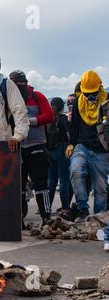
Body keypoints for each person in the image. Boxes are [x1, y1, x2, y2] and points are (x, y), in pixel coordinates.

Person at [62, 70, 109, 223]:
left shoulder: (107, 102)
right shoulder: (78, 101)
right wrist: (71, 143)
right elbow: (74, 125)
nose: (90, 97)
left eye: (93, 93)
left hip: (101, 151)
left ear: (99, 88)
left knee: (100, 187)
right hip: (82, 146)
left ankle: (99, 217)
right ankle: (82, 208)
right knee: (75, 171)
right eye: (87, 94)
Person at [10, 70, 54, 225]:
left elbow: (49, 115)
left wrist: (30, 121)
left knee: (40, 183)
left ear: (26, 83)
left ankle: (46, 216)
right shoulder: (8, 98)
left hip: (36, 145)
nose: (19, 87)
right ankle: (19, 219)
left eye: (22, 83)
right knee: (18, 184)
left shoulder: (37, 96)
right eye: (16, 85)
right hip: (17, 147)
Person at [45, 97, 73, 215]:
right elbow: (68, 135)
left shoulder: (48, 119)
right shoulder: (63, 119)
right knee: (64, 181)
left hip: (50, 153)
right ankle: (65, 207)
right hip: (63, 152)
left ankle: (47, 207)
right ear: (62, 107)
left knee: (51, 182)